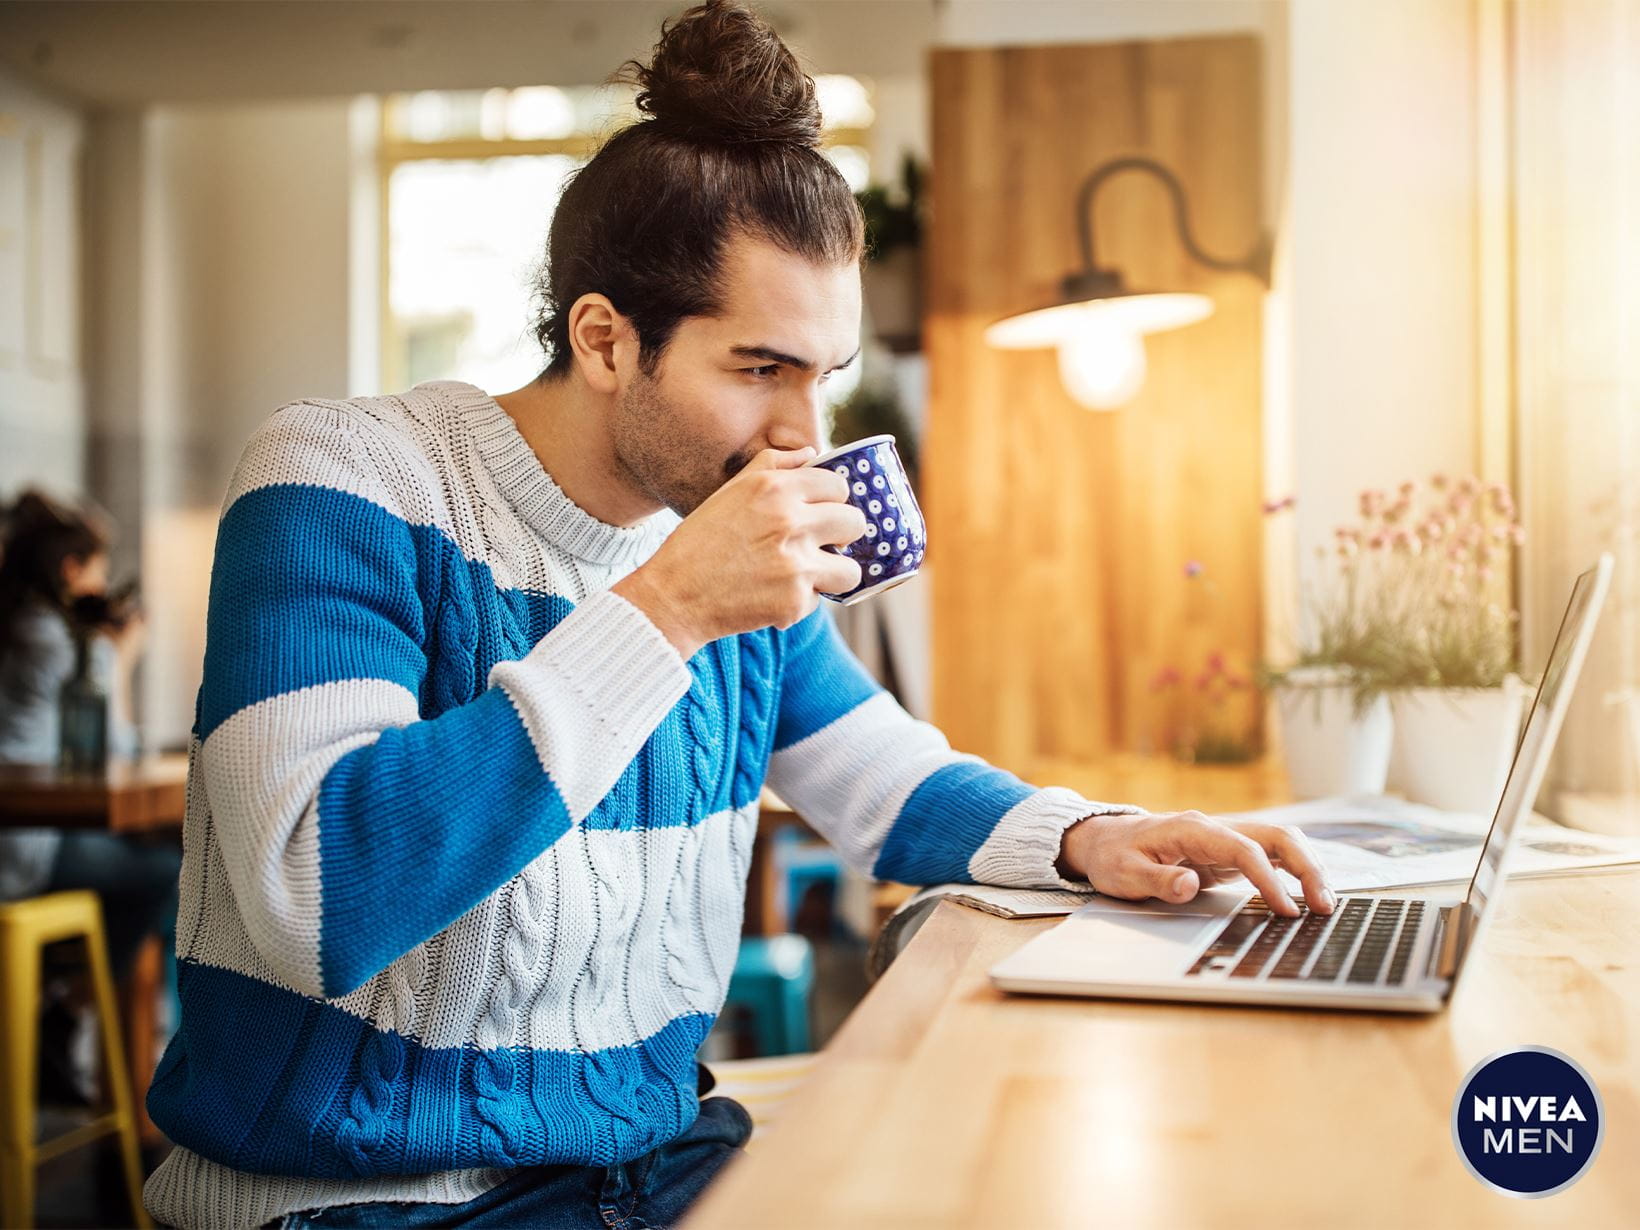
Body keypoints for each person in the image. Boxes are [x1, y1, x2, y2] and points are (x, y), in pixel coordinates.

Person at [142, 4, 1337, 1227]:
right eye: (756, 370)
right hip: (367, 1200)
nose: (800, 437)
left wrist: (1092, 837)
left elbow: (879, 778)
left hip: (649, 1168)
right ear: (605, 340)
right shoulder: (347, 481)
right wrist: (664, 612)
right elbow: (314, 897)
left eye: (819, 377)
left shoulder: (717, 531)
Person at [0, 488, 180, 1101]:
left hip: (28, 833)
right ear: (72, 570)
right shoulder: (60, 640)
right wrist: (122, 657)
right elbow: (119, 751)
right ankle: (70, 1005)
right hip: (24, 850)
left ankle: (58, 999)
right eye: (99, 564)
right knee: (172, 868)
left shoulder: (18, 624)